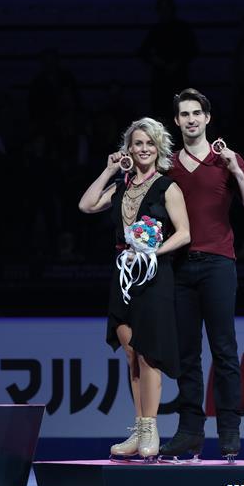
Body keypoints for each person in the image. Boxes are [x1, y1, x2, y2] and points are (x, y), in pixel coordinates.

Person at [161, 88, 244, 462]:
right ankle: (190, 432)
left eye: (196, 113)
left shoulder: (226, 160)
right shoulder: (168, 164)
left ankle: (229, 431)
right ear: (176, 122)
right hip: (179, 268)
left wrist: (236, 168)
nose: (190, 119)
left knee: (224, 350)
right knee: (187, 354)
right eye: (183, 114)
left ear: (207, 118)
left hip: (219, 264)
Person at [78, 117, 191, 461]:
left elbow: (184, 233)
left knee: (148, 353)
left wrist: (152, 252)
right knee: (130, 353)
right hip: (123, 275)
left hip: (155, 276)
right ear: (128, 149)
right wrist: (109, 170)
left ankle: (151, 429)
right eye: (137, 143)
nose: (143, 149)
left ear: (159, 149)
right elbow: (86, 205)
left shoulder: (167, 187)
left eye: (149, 144)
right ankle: (139, 426)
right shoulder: (122, 187)